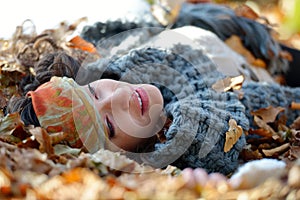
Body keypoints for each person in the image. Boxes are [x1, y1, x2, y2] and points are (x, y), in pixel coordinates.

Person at [5, 26, 300, 176]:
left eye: (95, 91)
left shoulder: (132, 57)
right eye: (108, 126)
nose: (120, 96)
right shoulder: (195, 138)